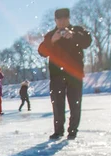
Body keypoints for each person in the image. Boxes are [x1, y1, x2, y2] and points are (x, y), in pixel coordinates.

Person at [38, 8, 92, 140]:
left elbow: (87, 42)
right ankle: (58, 131)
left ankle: (73, 131)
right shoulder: (50, 35)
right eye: (59, 19)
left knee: (75, 103)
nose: (62, 22)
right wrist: (52, 41)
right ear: (55, 20)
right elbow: (41, 52)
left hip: (74, 74)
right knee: (57, 104)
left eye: (64, 19)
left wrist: (73, 36)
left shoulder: (77, 30)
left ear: (68, 19)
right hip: (57, 75)